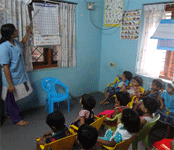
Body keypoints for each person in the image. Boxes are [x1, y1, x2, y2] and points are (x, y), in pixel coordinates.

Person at [0, 23, 33, 126]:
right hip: (11, 78)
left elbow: (22, 43)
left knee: (11, 98)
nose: (17, 31)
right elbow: (5, 67)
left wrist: (27, 32)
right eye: (15, 30)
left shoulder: (15, 42)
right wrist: (10, 84)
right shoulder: (4, 47)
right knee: (10, 99)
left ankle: (10, 114)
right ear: (10, 34)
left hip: (18, 76)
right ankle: (16, 119)